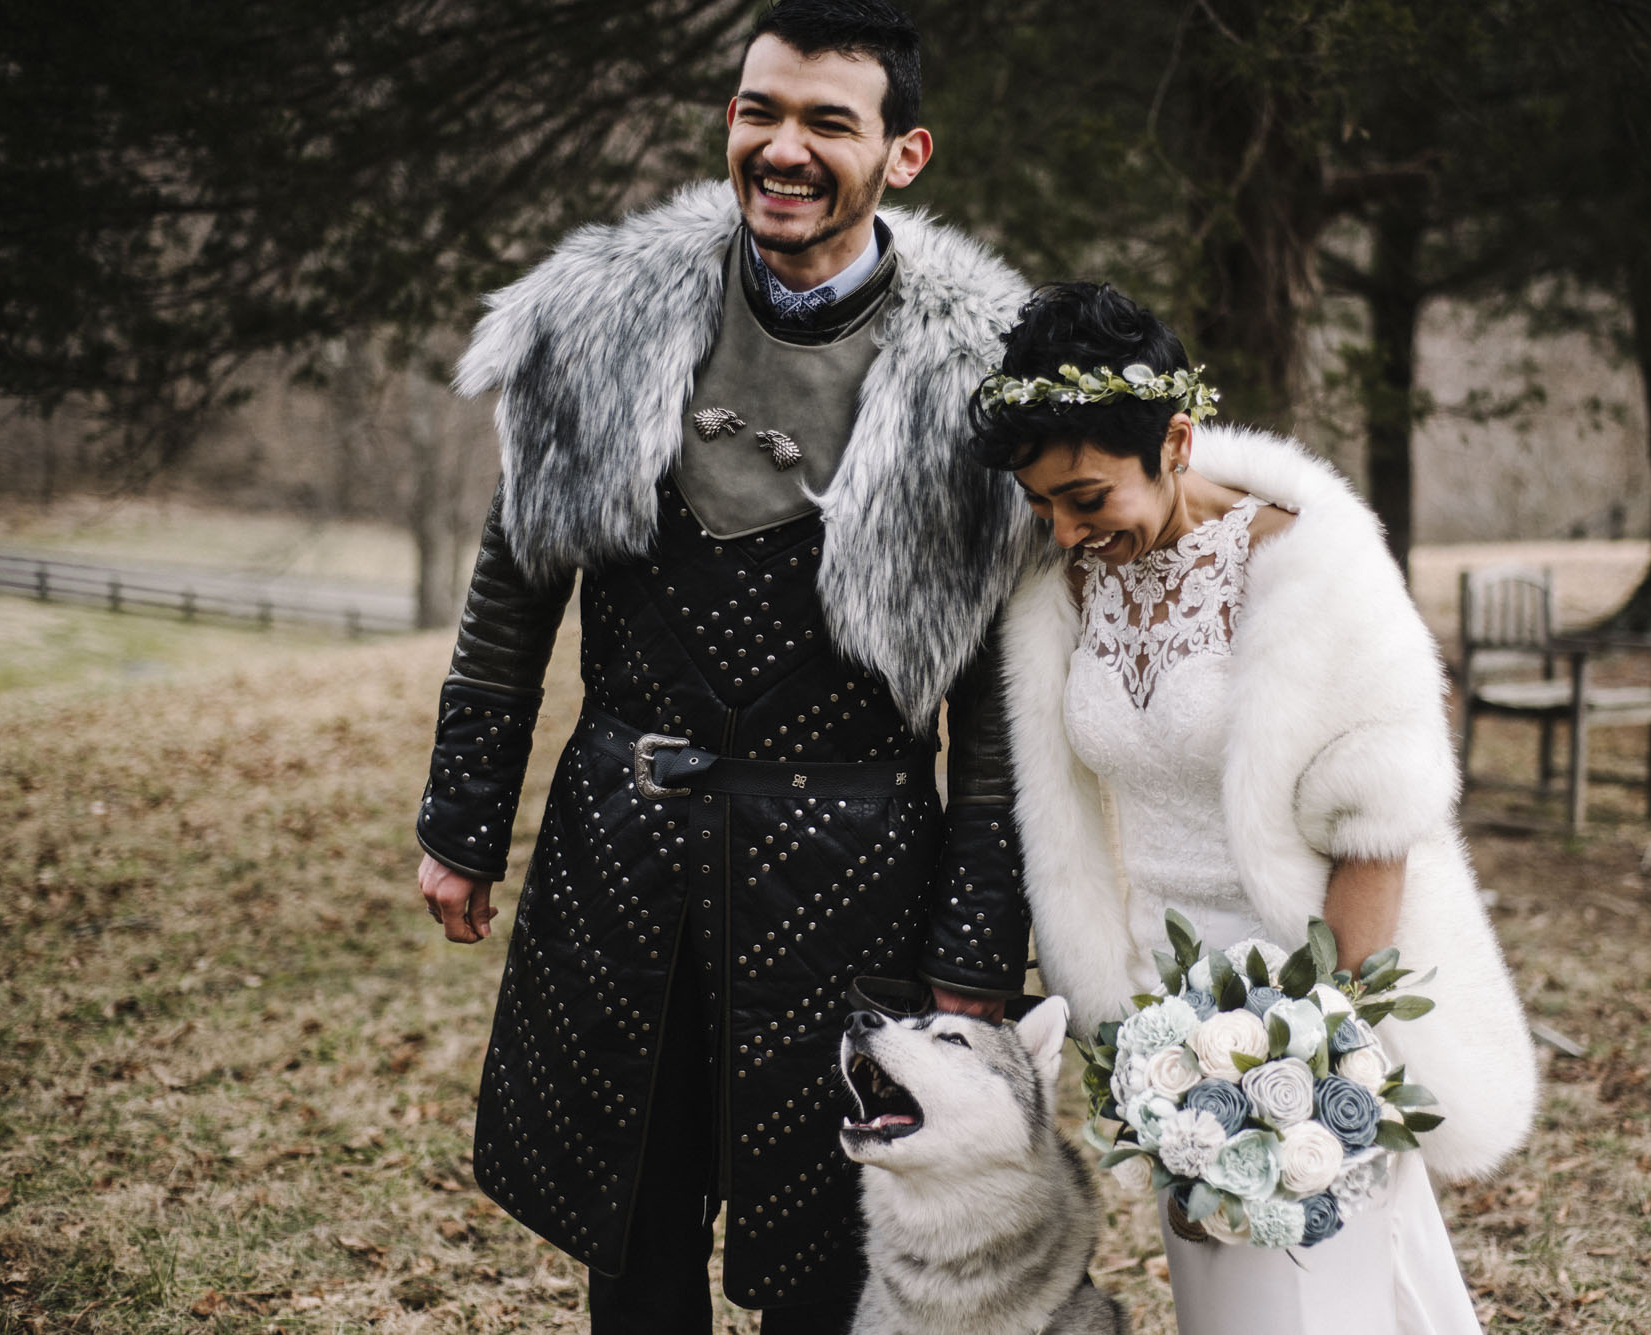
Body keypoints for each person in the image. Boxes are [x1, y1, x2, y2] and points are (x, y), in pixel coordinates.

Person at [413, 3, 1034, 1330]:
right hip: (620, 850)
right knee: (631, 1231)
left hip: (855, 872)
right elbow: (517, 579)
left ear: (904, 153)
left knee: (828, 1257)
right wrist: (462, 822)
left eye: (828, 121)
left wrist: (979, 943)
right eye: (761, 111)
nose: (784, 148)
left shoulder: (978, 381)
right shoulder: (604, 322)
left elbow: (993, 699)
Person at [971, 283, 1538, 1332]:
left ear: (1174, 440)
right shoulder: (1058, 593)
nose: (1062, 530)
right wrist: (1149, 1047)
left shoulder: (1304, 563)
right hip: (1157, 1016)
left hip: (1305, 1000)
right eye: (1040, 504)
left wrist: (1324, 1056)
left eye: (1087, 497)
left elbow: (1376, 830)